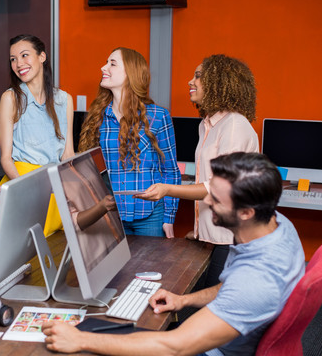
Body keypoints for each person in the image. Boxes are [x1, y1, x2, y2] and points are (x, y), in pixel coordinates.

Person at [42, 152, 305, 356]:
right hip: (216, 341)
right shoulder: (277, 226)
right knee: (94, 329)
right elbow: (230, 287)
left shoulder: (255, 282)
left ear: (246, 212)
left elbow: (175, 347)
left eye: (216, 198)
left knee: (80, 339)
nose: (207, 200)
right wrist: (183, 300)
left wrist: (80, 340)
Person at [137, 54, 259, 286]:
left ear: (219, 82)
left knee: (215, 307)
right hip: (216, 235)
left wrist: (167, 189)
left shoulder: (234, 125)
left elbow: (217, 187)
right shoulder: (207, 125)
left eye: (199, 76)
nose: (190, 81)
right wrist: (199, 232)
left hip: (232, 236)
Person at [78, 47, 180, 237]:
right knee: (114, 268)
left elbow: (170, 170)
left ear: (130, 73)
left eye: (112, 63)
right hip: (110, 214)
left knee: (149, 266)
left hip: (150, 214)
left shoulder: (158, 116)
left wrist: (169, 217)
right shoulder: (97, 117)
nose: (103, 67)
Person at [0, 34, 74, 250]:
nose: (18, 64)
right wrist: (27, 192)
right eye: (13, 59)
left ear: (42, 56)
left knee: (53, 260)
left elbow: (68, 154)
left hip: (54, 189)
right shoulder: (11, 98)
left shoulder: (64, 100)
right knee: (17, 269)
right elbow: (6, 158)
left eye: (25, 55)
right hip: (21, 187)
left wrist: (71, 193)